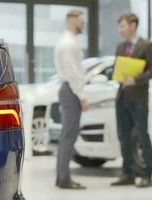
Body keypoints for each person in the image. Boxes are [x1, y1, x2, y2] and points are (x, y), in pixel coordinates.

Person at [110, 13, 152, 188]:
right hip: (121, 96)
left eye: (122, 26)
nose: (120, 30)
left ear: (133, 25)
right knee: (123, 136)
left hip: (138, 98)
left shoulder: (147, 46)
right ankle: (127, 173)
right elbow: (116, 68)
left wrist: (135, 79)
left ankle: (147, 174)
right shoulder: (121, 46)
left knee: (143, 135)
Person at [54, 10, 89, 190]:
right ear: (73, 22)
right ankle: (64, 178)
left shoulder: (67, 41)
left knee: (66, 136)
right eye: (81, 21)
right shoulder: (69, 44)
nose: (83, 24)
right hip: (71, 91)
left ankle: (61, 177)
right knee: (69, 136)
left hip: (67, 89)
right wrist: (82, 97)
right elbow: (73, 73)